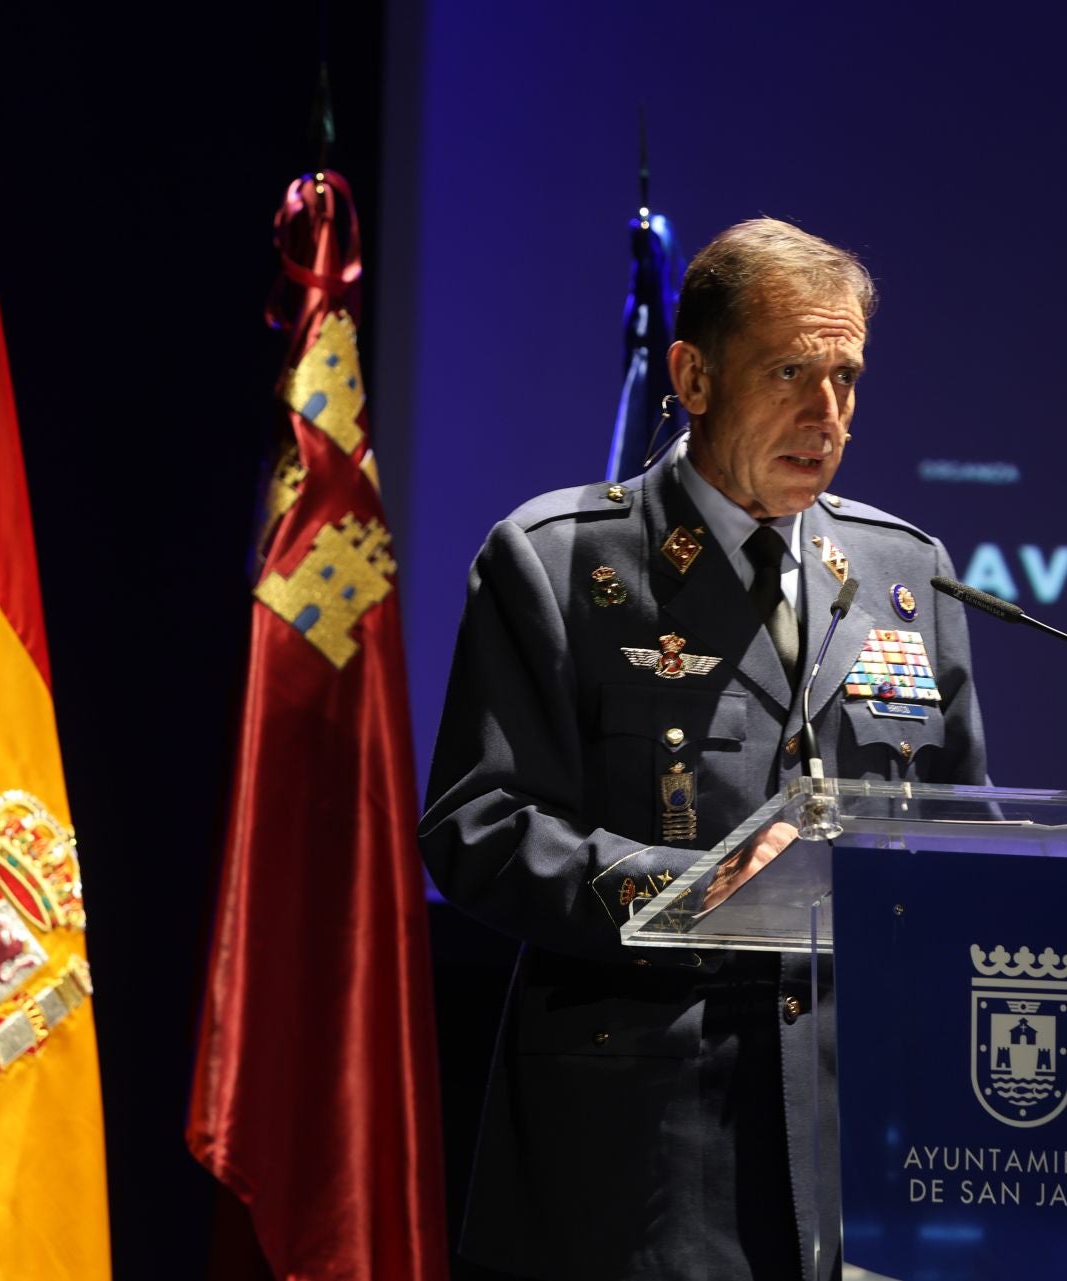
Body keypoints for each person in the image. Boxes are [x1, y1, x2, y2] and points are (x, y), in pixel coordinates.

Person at [420, 218, 988, 1281]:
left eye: (847, 379)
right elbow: (480, 828)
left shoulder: (905, 573)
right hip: (642, 1142)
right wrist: (701, 891)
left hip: (862, 1134)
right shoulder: (559, 563)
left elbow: (963, 830)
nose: (827, 416)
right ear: (692, 376)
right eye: (790, 373)